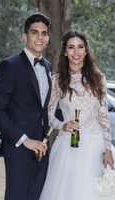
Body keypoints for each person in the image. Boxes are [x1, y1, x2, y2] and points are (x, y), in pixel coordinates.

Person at [40, 30, 115, 200]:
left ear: (86, 51)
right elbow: (49, 114)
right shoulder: (57, 80)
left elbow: (103, 117)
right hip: (68, 148)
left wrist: (108, 149)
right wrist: (63, 125)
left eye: (80, 47)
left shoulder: (99, 78)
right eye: (71, 47)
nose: (76, 52)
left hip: (95, 146)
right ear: (65, 52)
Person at [0, 13, 52, 200]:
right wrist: (25, 139)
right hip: (19, 149)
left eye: (44, 33)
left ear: (48, 38)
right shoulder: (10, 66)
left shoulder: (48, 66)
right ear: (25, 36)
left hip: (43, 147)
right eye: (35, 33)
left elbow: (44, 108)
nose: (40, 37)